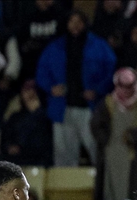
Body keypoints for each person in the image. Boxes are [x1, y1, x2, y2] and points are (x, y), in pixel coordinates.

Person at [36, 10, 117, 167]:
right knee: (64, 155)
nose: (75, 25)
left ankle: (102, 188)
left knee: (97, 150)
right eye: (71, 21)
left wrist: (98, 90)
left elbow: (111, 70)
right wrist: (51, 88)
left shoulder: (99, 46)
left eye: (79, 21)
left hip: (89, 108)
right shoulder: (55, 47)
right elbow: (42, 71)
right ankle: (65, 190)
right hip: (62, 108)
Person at [91, 67, 137, 200]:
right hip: (111, 152)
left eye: (130, 86)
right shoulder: (108, 102)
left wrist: (134, 136)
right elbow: (96, 124)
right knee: (110, 188)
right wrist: (105, 138)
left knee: (132, 189)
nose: (127, 90)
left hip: (135, 155)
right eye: (123, 86)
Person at [0, 80, 53, 166]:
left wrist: (36, 113)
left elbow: (43, 143)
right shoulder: (15, 117)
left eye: (32, 90)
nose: (29, 93)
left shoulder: (45, 117)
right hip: (16, 158)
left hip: (36, 159)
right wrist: (9, 147)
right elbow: (5, 138)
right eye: (26, 90)